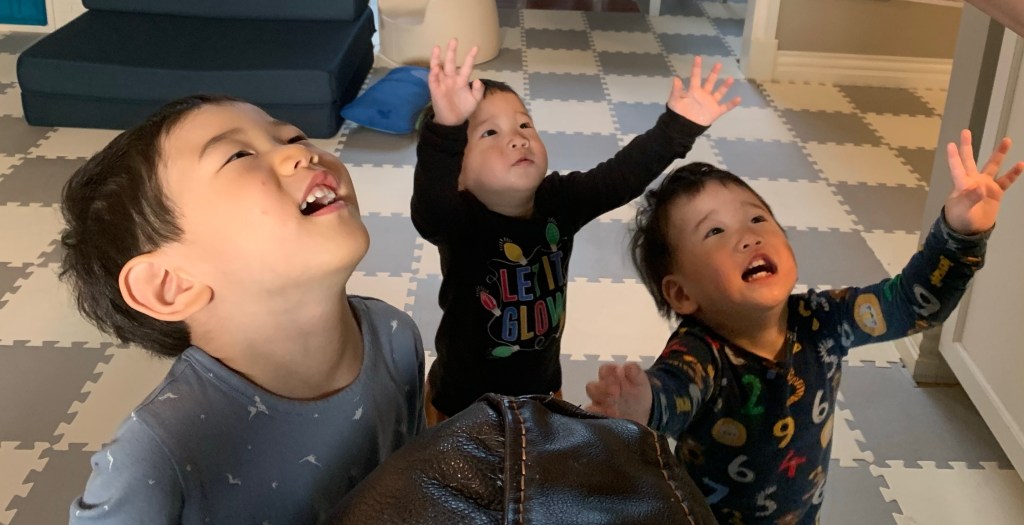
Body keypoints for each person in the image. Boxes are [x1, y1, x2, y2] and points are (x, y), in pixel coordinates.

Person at [585, 131, 1022, 523]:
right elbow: (674, 393)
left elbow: (911, 304)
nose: (748, 236)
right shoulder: (700, 355)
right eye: (714, 231)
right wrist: (642, 404)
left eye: (757, 218)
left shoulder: (823, 319)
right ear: (682, 293)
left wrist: (960, 235)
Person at [60, 95, 425, 523]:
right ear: (169, 285)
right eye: (238, 155)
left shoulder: (394, 337)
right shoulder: (157, 456)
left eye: (293, 136)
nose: (301, 152)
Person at [410, 39, 740, 424]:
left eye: (524, 124)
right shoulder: (459, 221)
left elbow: (619, 177)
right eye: (489, 133)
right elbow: (430, 206)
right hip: (463, 403)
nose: (518, 138)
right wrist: (446, 129)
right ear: (459, 175)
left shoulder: (559, 201)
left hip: (543, 389)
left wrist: (678, 127)